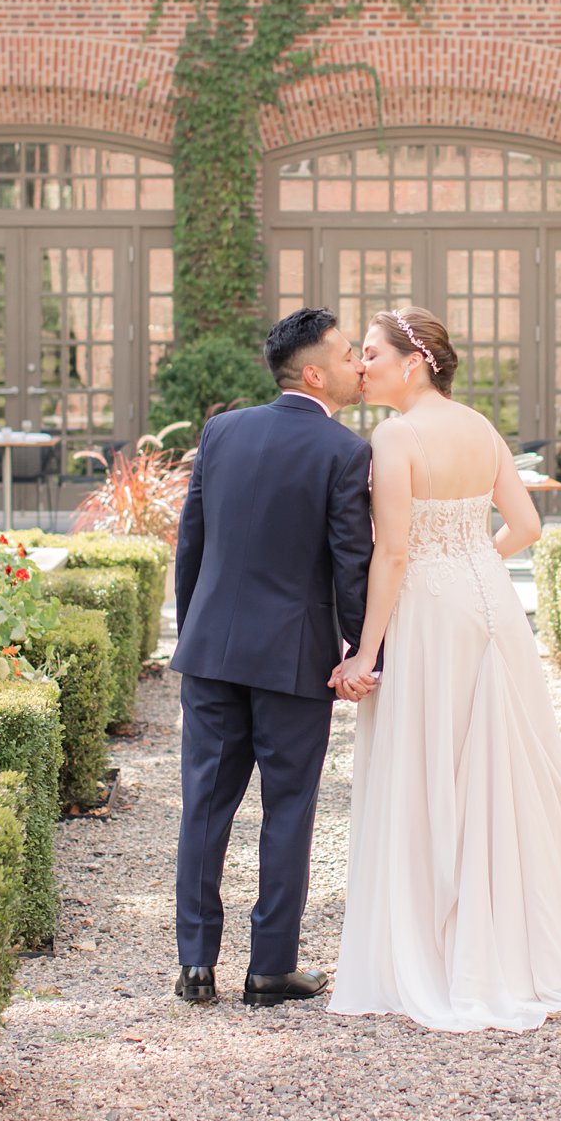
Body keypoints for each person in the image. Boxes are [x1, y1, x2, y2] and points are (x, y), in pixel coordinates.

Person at [327, 306, 561, 1034]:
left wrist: (365, 653)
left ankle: (433, 953)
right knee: (491, 769)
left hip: (428, 611)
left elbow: (393, 555)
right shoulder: (483, 428)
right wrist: (472, 563)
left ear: (415, 360)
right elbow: (526, 528)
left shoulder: (396, 436)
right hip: (489, 604)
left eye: (370, 353)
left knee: (424, 767)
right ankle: (508, 948)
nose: (360, 366)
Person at [169, 308, 372, 1006]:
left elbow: (190, 545)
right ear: (314, 371)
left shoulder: (222, 432)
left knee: (204, 806)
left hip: (213, 653)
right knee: (288, 811)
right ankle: (269, 969)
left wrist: (194, 629)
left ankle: (195, 965)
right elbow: (353, 565)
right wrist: (362, 651)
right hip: (294, 662)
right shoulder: (345, 453)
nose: (358, 365)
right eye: (348, 354)